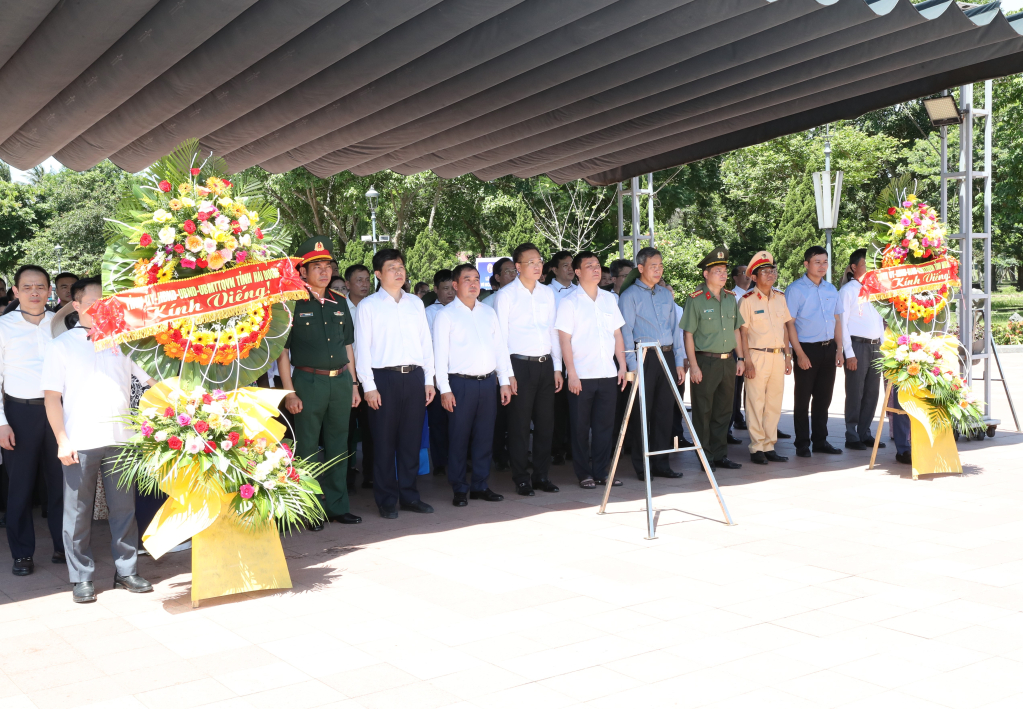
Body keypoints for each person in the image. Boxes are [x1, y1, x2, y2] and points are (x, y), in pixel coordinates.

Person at [41, 278, 156, 603]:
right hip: (80, 441)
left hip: (122, 439)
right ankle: (82, 577)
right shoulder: (60, 346)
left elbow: (150, 381)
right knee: (77, 513)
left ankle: (127, 571)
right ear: (76, 306)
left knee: (124, 510)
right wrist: (62, 439)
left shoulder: (123, 341)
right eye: (93, 302)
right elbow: (52, 399)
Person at [276, 238, 362, 527]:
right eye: (316, 267)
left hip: (340, 382)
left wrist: (353, 384)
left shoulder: (340, 303)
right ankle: (308, 508)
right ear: (302, 271)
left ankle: (337, 506)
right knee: (308, 447)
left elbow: (347, 346)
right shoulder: (292, 304)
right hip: (307, 382)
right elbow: (282, 353)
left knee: (340, 445)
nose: (324, 272)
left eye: (328, 266)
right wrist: (289, 393)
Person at [355, 248, 436, 519]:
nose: (399, 271)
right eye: (392, 268)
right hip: (383, 378)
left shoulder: (415, 303)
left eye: (401, 266)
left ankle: (410, 495)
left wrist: (429, 379)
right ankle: (387, 499)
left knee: (411, 440)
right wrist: (368, 386)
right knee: (384, 442)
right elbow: (361, 349)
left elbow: (426, 342)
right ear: (378, 274)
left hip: (414, 376)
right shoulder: (369, 306)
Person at [0, 265, 64, 576]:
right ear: (16, 292)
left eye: (40, 286)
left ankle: (63, 547)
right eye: (27, 287)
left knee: (62, 485)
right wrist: (1, 423)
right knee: (20, 487)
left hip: (59, 413)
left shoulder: (62, 323)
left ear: (50, 290)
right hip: (18, 414)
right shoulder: (3, 326)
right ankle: (22, 553)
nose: (34, 292)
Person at [433, 264, 512, 506]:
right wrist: (444, 389)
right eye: (467, 279)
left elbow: (500, 348)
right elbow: (439, 356)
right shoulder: (446, 315)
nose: (473, 283)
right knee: (459, 437)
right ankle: (459, 487)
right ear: (455, 285)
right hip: (460, 384)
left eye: (476, 278)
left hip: (488, 383)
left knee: (484, 437)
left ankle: (480, 485)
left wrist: (505, 381)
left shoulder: (488, 312)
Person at [492, 242, 562, 496]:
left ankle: (542, 476)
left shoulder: (547, 294)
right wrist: (505, 376)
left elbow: (554, 331)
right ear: (518, 266)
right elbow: (500, 338)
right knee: (519, 426)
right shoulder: (506, 295)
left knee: (546, 425)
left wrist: (558, 367)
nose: (537, 265)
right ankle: (521, 478)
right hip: (518, 366)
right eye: (530, 262)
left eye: (539, 261)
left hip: (546, 365)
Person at [556, 252, 627, 488]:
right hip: (581, 376)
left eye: (598, 265)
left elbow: (617, 334)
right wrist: (571, 373)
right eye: (590, 266)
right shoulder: (569, 302)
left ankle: (602, 472)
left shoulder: (609, 299)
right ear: (577, 272)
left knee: (604, 427)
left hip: (607, 372)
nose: (596, 269)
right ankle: (584, 473)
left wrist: (622, 366)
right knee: (579, 427)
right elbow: (564, 340)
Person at [618, 247, 686, 479]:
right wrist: (632, 365)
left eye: (660, 266)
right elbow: (626, 333)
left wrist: (678, 360)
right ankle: (642, 465)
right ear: (640, 268)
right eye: (653, 266)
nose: (658, 270)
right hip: (643, 356)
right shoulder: (629, 296)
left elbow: (674, 329)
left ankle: (662, 463)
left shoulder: (666, 294)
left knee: (664, 412)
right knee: (642, 413)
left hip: (666, 354)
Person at [680, 246, 746, 472]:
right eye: (717, 270)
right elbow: (687, 334)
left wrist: (740, 358)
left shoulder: (730, 298)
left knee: (723, 411)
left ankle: (720, 454)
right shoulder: (696, 300)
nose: (723, 274)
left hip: (728, 361)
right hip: (705, 362)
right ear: (705, 274)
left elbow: (737, 330)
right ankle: (704, 456)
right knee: (703, 411)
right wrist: (694, 366)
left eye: (725, 270)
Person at [785, 245, 845, 458]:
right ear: (806, 264)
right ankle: (802, 442)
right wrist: (798, 354)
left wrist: (840, 350)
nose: (822, 266)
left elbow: (837, 320)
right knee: (802, 399)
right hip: (807, 349)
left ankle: (820, 440)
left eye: (825, 262)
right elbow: (789, 324)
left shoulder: (831, 289)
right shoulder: (795, 289)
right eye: (817, 262)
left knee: (823, 398)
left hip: (829, 349)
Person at [738, 252, 795, 465]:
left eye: (773, 271)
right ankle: (757, 447)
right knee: (755, 402)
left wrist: (788, 356)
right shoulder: (747, 300)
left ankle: (770, 445)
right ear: (754, 276)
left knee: (774, 402)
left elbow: (786, 329)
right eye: (765, 272)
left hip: (777, 356)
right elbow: (742, 333)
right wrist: (746, 360)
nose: (771, 275)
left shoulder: (780, 297)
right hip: (756, 354)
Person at [840, 249, 886, 451]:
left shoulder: (875, 289)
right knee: (855, 392)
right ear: (853, 268)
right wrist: (848, 352)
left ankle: (864, 432)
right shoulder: (847, 291)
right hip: (856, 346)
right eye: (865, 265)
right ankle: (851, 434)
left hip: (876, 346)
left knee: (871, 393)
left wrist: (884, 347)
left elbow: (879, 321)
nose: (869, 269)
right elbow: (842, 324)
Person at [345, 263, 374, 491]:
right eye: (359, 280)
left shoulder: (375, 307)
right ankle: (346, 475)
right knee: (344, 430)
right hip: (344, 377)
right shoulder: (339, 308)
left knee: (372, 428)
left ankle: (371, 474)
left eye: (367, 280)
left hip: (370, 377)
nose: (364, 284)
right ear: (347, 284)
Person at [425, 269, 455, 476]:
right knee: (438, 421)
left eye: (452, 288)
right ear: (436, 290)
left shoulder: (462, 310)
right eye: (445, 289)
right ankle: (441, 461)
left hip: (459, 373)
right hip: (437, 374)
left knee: (458, 420)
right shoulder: (429, 313)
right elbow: (427, 346)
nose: (450, 293)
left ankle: (458, 459)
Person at [728, 266, 751, 438]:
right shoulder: (731, 296)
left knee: (753, 387)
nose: (748, 275)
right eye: (743, 273)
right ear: (735, 278)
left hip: (753, 347)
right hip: (736, 348)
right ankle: (734, 418)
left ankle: (751, 420)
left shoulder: (755, 295)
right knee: (735, 387)